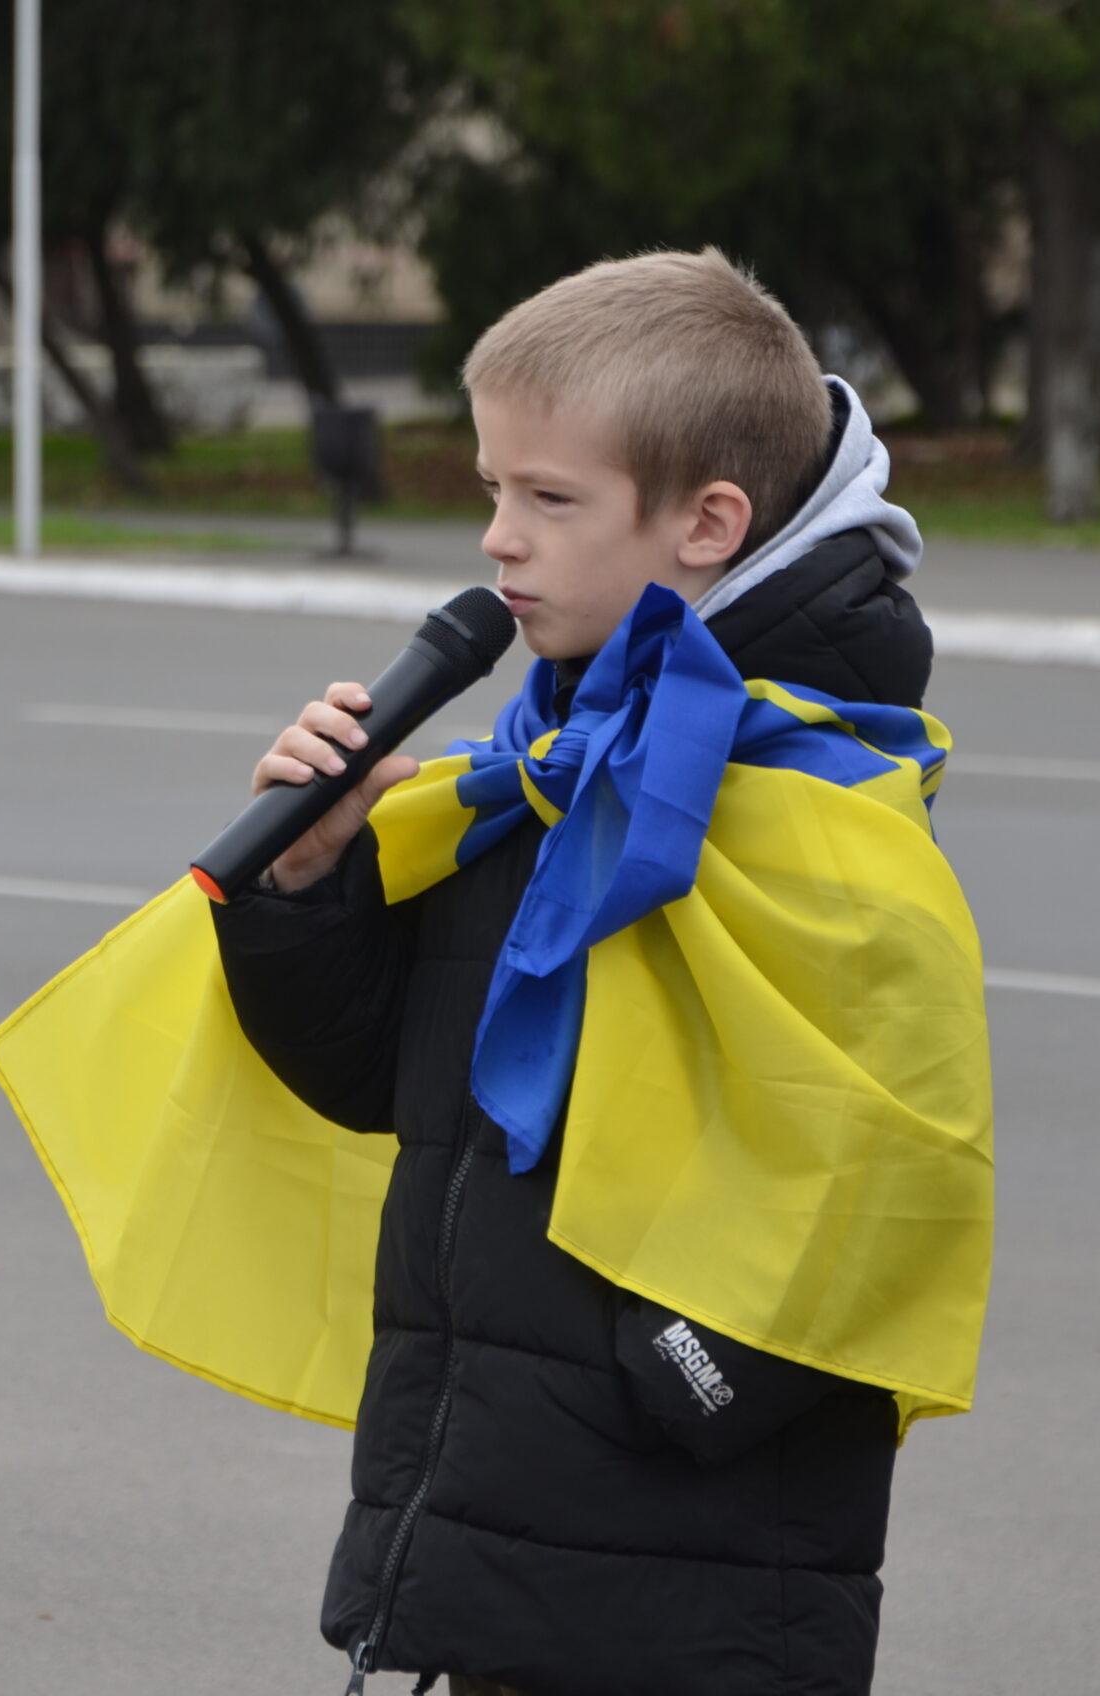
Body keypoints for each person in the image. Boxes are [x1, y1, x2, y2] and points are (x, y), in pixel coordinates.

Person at [206, 249, 979, 1696]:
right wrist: (306, 884)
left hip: (690, 1582)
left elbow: (887, 1184)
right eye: (493, 490)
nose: (500, 541)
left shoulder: (815, 808)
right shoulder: (546, 766)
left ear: (708, 521)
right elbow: (397, 1080)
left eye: (549, 500)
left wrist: (670, 1375)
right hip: (495, 1536)